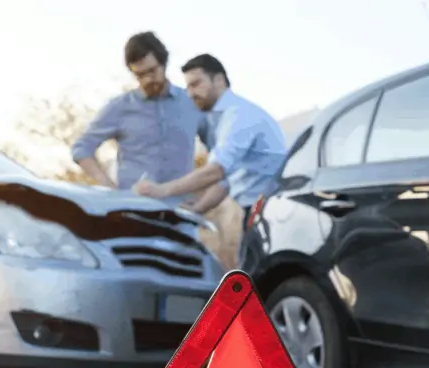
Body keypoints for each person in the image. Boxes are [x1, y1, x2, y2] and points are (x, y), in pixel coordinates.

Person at [132, 53, 287, 224]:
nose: (190, 94)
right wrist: (198, 207)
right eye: (188, 87)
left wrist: (161, 190)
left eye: (196, 84)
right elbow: (226, 181)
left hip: (271, 211)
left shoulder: (239, 115)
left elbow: (215, 171)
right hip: (261, 209)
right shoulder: (227, 119)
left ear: (219, 80)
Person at [70, 31, 204, 205]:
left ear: (164, 63)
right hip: (133, 212)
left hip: (181, 213)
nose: (148, 80)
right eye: (140, 75)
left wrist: (203, 197)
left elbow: (220, 152)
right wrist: (110, 189)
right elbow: (81, 149)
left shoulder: (192, 103)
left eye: (152, 71)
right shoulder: (120, 107)